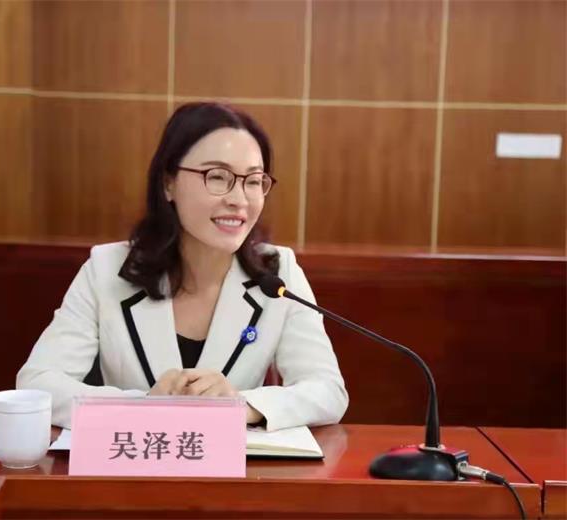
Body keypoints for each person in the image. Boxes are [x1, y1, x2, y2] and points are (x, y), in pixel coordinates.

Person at [17, 102, 348, 431]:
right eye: (217, 177)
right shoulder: (106, 269)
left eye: (252, 181)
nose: (239, 199)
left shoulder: (278, 273)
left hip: (232, 463)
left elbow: (327, 391)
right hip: (136, 458)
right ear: (168, 183)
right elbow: (37, 384)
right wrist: (144, 405)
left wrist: (242, 405)